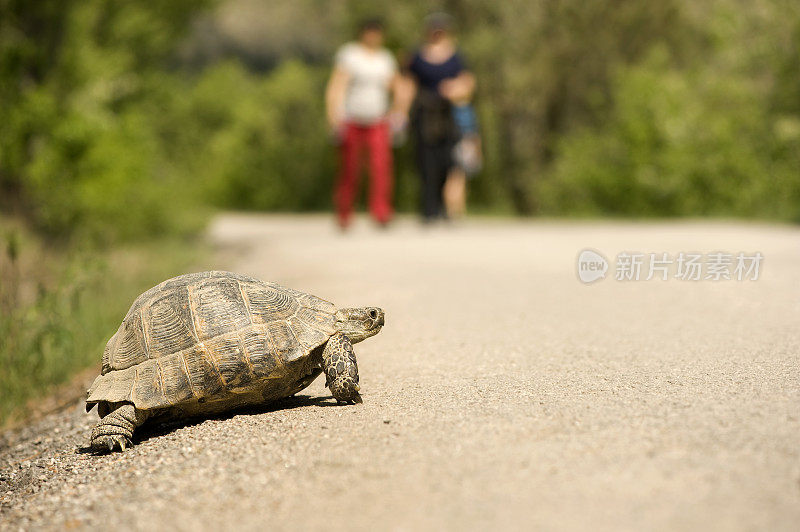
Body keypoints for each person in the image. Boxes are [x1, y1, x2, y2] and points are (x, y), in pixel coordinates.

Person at [325, 18, 406, 229]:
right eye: (369, 31)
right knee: (350, 168)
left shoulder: (384, 58)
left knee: (381, 168)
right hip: (352, 119)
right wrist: (333, 116)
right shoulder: (350, 54)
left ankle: (381, 212)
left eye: (376, 32)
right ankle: (344, 213)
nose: (373, 36)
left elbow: (397, 86)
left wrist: (398, 112)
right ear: (362, 33)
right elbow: (337, 86)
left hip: (378, 120)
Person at [404, 12, 478, 222]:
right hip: (425, 112)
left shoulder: (456, 57)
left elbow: (468, 83)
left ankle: (445, 206)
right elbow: (407, 85)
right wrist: (400, 112)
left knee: (448, 160)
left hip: (449, 114)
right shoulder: (417, 57)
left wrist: (455, 89)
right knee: (425, 161)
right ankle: (428, 209)